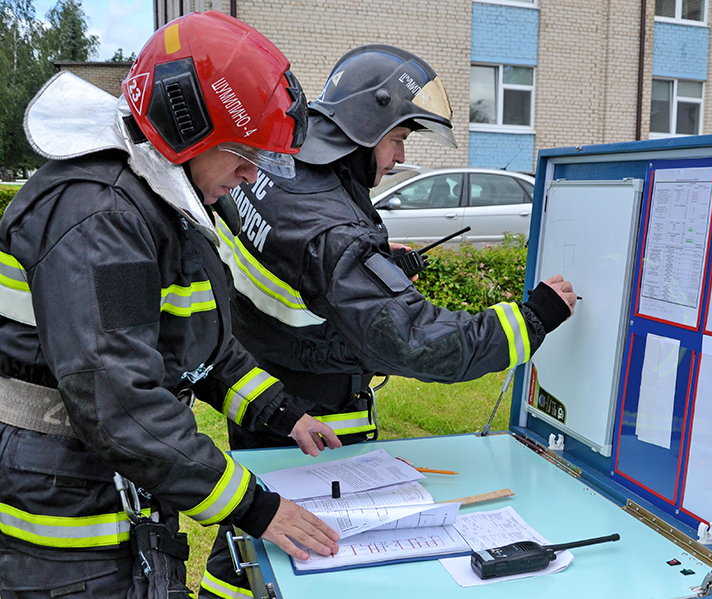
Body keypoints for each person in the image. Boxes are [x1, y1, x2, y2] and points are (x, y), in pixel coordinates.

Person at [202, 45, 576, 598]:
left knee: (255, 545)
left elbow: (298, 268)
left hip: (265, 393)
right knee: (315, 555)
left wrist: (374, 271)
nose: (399, 159)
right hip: (318, 419)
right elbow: (417, 341)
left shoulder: (273, 168)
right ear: (363, 127)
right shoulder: (333, 233)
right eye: (397, 139)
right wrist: (533, 318)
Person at [0, 11, 342, 599]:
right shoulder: (101, 218)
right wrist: (257, 508)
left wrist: (285, 414)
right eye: (243, 152)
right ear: (185, 129)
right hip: (59, 511)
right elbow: (117, 401)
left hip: (99, 475)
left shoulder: (152, 201)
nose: (249, 174)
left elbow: (194, 345)